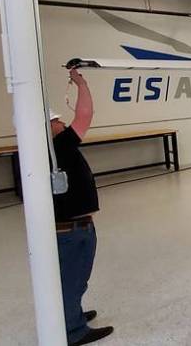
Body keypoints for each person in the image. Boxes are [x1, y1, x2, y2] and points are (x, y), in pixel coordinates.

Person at [50, 68, 113, 345]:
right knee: (72, 279)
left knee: (74, 278)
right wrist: (81, 83)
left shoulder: (52, 148)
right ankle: (73, 330)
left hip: (74, 226)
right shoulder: (55, 146)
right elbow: (85, 115)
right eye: (56, 121)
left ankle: (71, 315)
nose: (61, 123)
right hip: (72, 230)